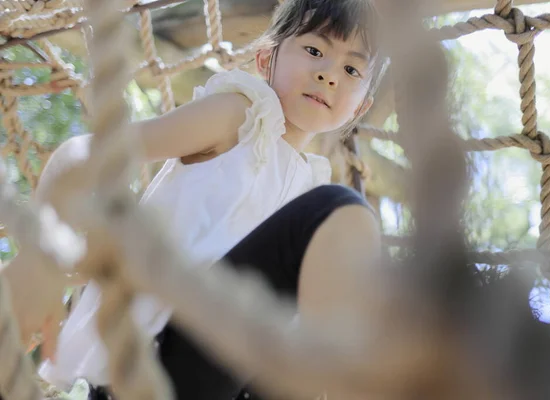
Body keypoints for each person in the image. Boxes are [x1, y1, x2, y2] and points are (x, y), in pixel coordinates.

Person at [2, 0, 387, 398]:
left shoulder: (306, 185)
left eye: (351, 69)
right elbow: (77, 158)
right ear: (265, 57)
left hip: (225, 380)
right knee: (342, 214)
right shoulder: (239, 117)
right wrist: (36, 263)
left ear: (361, 106)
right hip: (157, 364)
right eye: (314, 51)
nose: (328, 75)